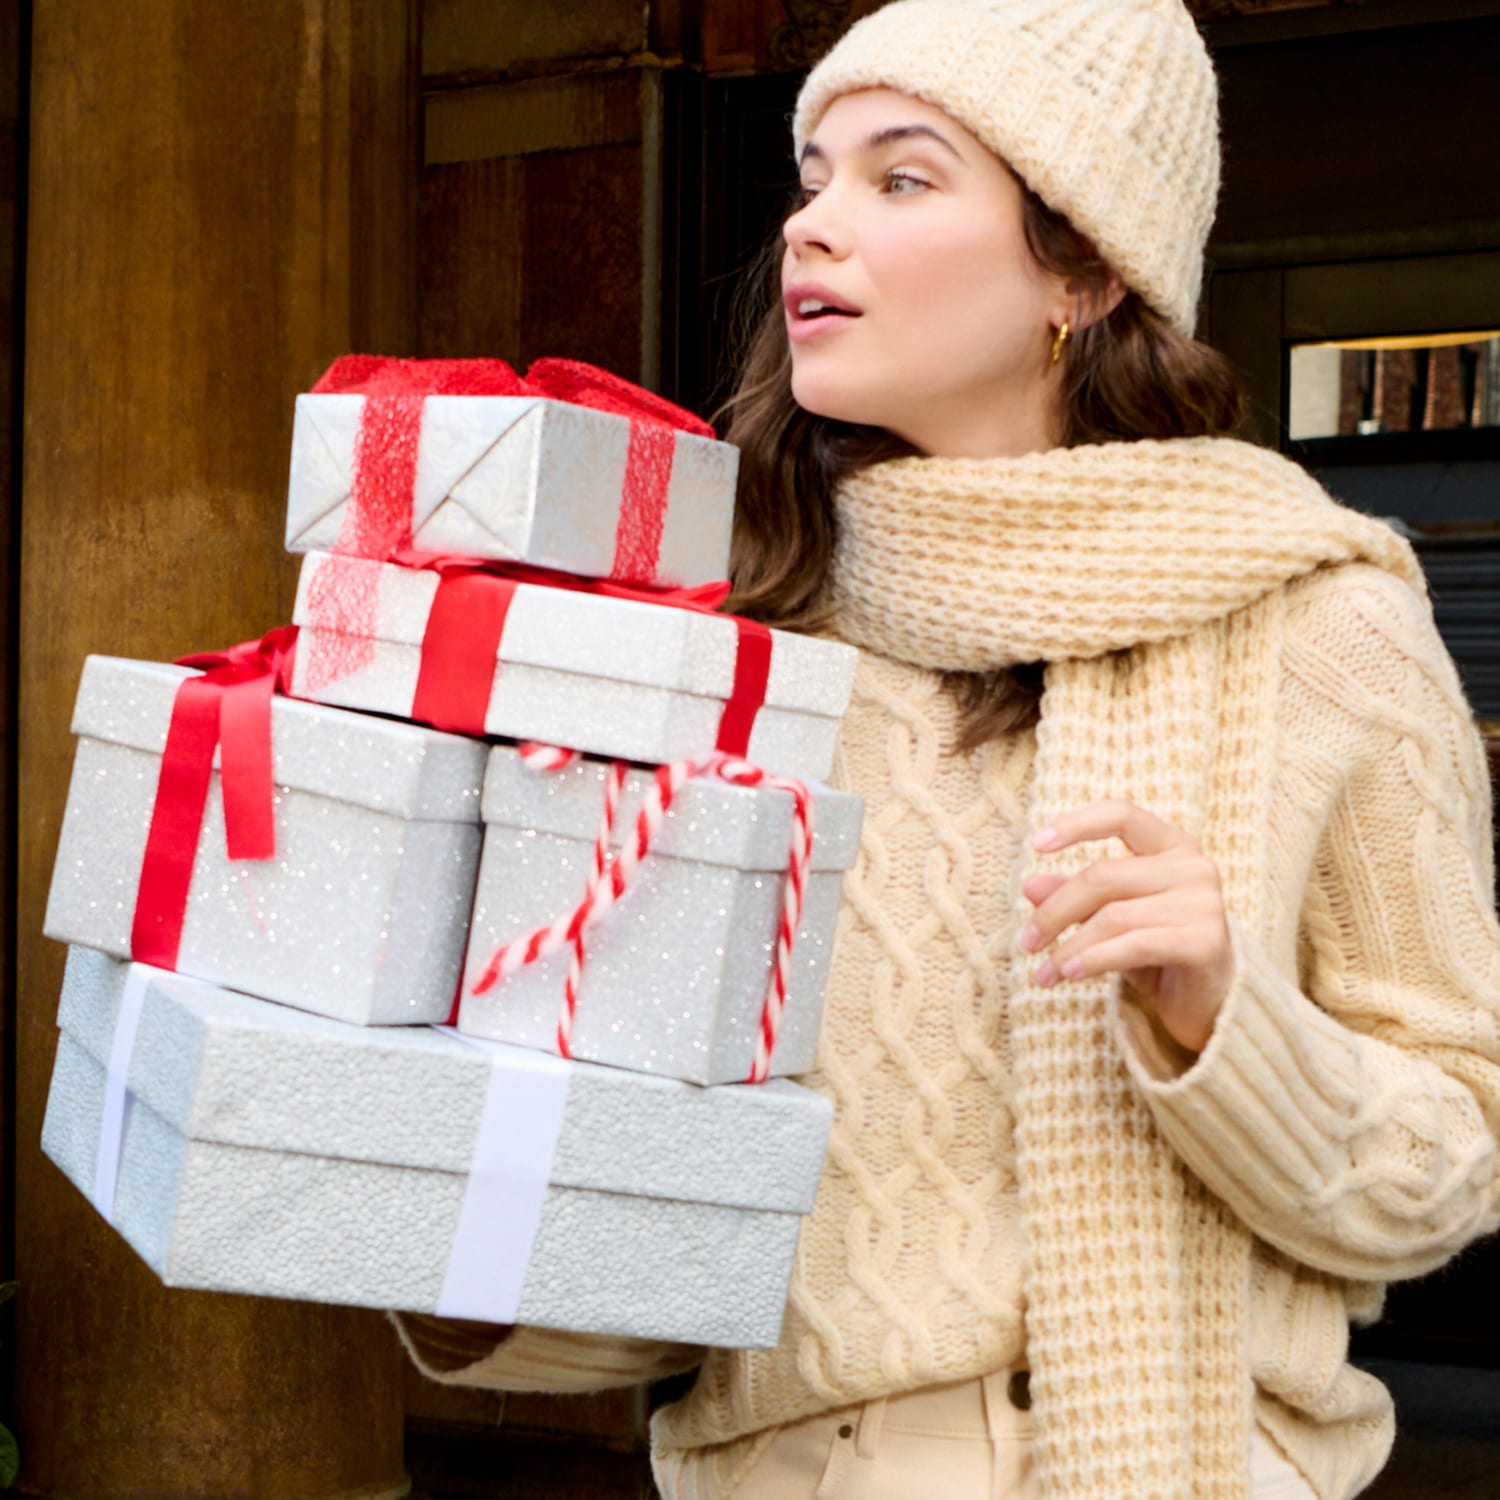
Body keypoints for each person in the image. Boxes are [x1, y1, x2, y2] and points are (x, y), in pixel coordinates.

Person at [394, 3, 1500, 1496]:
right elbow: (660, 1244)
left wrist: (1229, 1025)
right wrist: (434, 1212)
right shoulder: (722, 642)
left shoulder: (1320, 621)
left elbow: (1454, 1162)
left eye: (900, 181)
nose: (814, 229)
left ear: (1085, 268)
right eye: (812, 175)